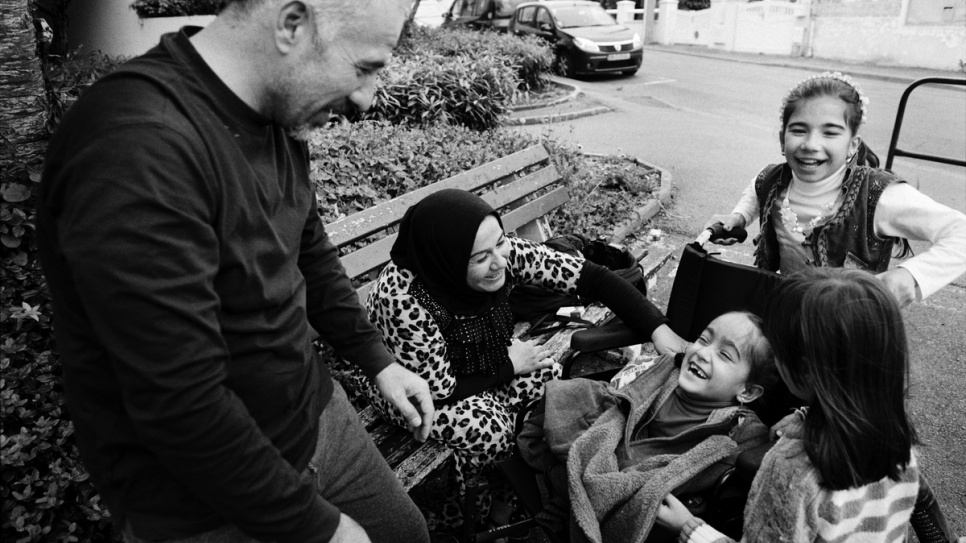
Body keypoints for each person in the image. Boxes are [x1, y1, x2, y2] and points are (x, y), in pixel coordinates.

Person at [36, 1, 435, 542]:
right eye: (364, 67)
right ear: (293, 24)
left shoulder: (274, 111)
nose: (366, 98)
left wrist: (376, 359)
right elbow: (180, 400)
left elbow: (306, 248)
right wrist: (317, 528)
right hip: (205, 502)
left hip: (319, 420)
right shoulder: (135, 146)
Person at [344, 188, 688, 530]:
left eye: (500, 241)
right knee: (491, 431)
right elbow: (437, 391)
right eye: (479, 258)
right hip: (409, 384)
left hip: (477, 361)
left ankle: (507, 495)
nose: (499, 262)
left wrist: (658, 329)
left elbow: (592, 277)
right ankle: (469, 514)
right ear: (444, 261)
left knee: (550, 387)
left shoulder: (501, 253)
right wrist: (509, 366)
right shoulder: (404, 299)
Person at [658, 269, 921, 542]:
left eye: (779, 348)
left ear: (805, 370)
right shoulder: (899, 440)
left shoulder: (792, 473)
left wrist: (689, 528)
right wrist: (806, 416)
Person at [705, 71, 966, 308]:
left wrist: (912, 276)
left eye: (830, 133)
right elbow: (755, 190)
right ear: (782, 137)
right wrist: (737, 217)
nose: (810, 144)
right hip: (784, 307)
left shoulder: (877, 195)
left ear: (852, 145)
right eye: (799, 130)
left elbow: (961, 233)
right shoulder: (773, 178)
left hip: (847, 328)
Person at [517, 311, 777, 542]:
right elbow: (620, 401)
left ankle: (566, 490)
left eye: (724, 355)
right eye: (703, 339)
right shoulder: (662, 369)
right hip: (615, 443)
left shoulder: (739, 435)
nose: (702, 352)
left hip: (649, 487)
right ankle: (568, 491)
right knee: (573, 398)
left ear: (748, 391)